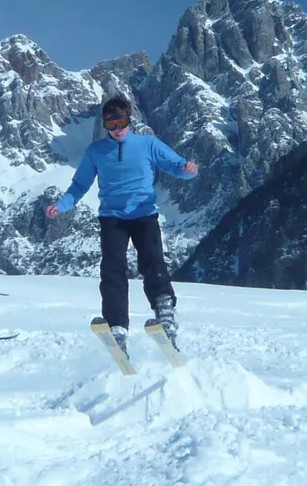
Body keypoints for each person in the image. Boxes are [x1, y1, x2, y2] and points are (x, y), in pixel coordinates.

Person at [45, 94, 198, 350]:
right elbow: (80, 185)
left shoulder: (148, 144)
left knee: (152, 261)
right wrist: (60, 205)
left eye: (122, 123)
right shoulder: (96, 151)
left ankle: (165, 313)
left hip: (144, 214)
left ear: (130, 119)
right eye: (111, 125)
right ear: (104, 125)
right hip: (112, 218)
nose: (117, 130)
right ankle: (116, 324)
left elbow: (175, 165)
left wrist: (188, 170)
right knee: (113, 269)